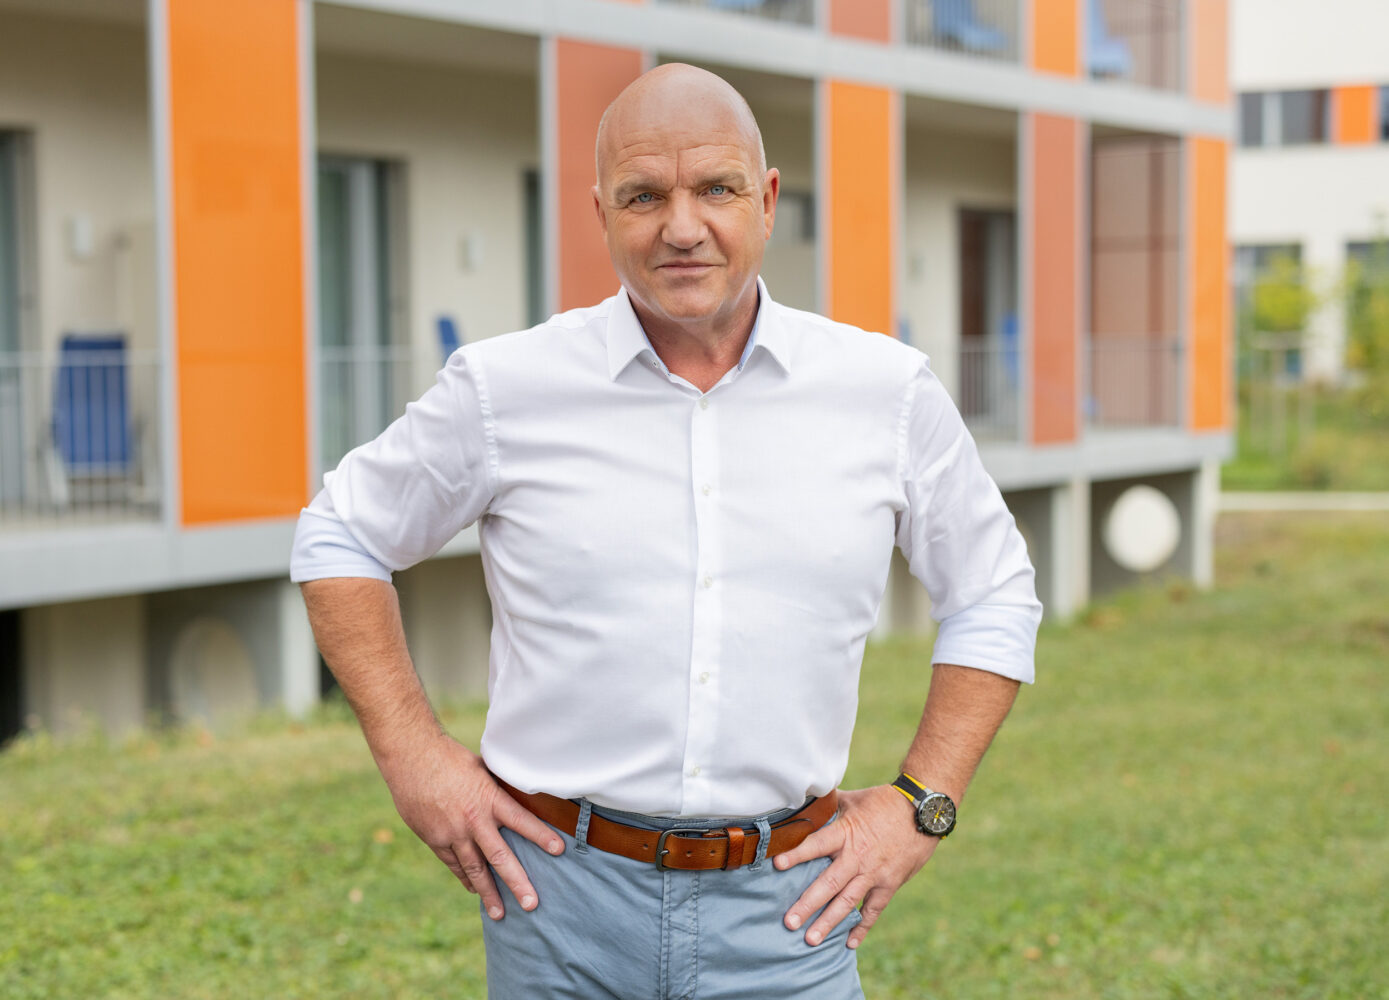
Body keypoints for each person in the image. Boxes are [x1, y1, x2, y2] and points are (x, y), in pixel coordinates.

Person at [291, 63, 1041, 999]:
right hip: (555, 907)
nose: (681, 228)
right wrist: (412, 756)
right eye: (644, 196)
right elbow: (340, 534)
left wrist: (921, 804)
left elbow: (992, 592)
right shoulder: (505, 389)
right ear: (600, 212)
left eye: (716, 189)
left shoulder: (883, 393)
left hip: (789, 911)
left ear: (767, 201)